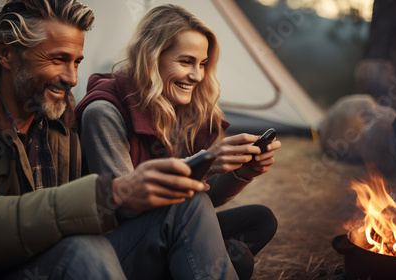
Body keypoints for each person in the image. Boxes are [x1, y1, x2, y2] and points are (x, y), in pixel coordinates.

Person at [0, 1, 239, 279]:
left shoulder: (55, 119)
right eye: (57, 59)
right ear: (5, 53)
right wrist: (109, 194)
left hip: (58, 258)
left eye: (77, 62)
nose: (72, 78)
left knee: (187, 207)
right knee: (83, 249)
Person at [75, 4, 281, 279]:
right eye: (186, 62)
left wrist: (240, 173)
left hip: (163, 226)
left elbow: (200, 202)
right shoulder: (105, 112)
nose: (197, 75)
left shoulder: (181, 110)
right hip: (112, 246)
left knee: (260, 219)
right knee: (235, 258)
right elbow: (124, 206)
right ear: (152, 57)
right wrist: (205, 162)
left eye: (203, 64)